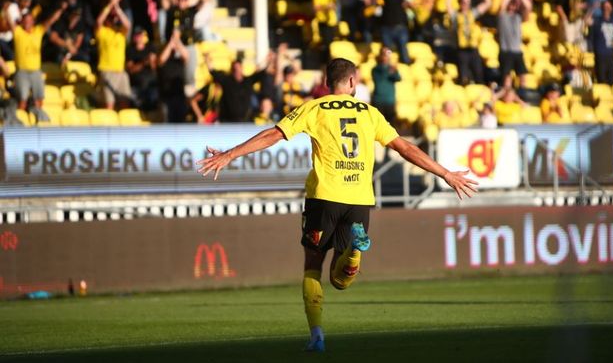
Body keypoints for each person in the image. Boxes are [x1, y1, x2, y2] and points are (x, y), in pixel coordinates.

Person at [197, 58, 479, 352]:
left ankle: (316, 336)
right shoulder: (370, 113)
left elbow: (273, 135)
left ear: (326, 82)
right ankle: (354, 251)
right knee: (341, 280)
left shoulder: (314, 108)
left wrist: (230, 154)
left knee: (313, 266)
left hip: (324, 198)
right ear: (352, 81)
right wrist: (445, 174)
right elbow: (405, 148)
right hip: (359, 200)